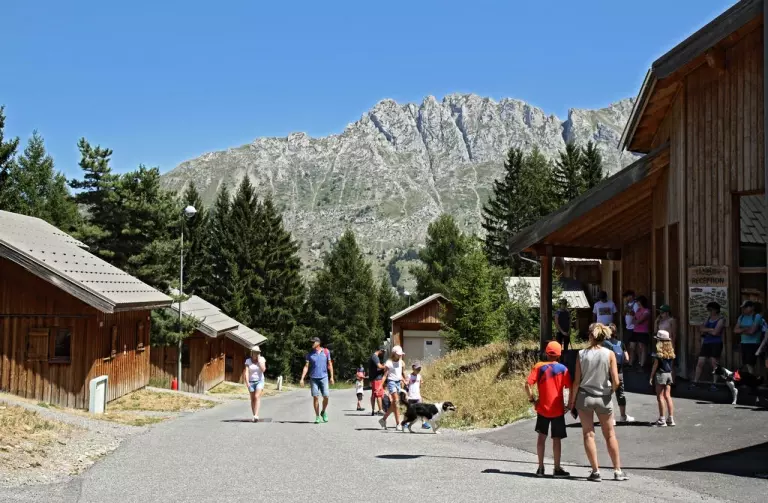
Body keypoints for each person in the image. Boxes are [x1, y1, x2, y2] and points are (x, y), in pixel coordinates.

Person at [568, 323, 628, 482]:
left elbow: (576, 381)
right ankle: (617, 471)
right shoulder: (609, 354)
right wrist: (610, 391)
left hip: (585, 397)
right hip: (603, 397)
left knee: (588, 434)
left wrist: (572, 402)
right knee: (610, 434)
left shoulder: (581, 354)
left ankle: (595, 471)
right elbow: (616, 380)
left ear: (590, 336)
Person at [525, 341, 572, 478]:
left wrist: (532, 400)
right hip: (557, 409)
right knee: (556, 439)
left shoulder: (538, 367)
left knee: (541, 437)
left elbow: (527, 385)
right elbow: (569, 388)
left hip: (542, 409)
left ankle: (540, 468)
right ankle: (557, 469)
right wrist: (569, 405)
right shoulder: (563, 369)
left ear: (546, 353)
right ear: (559, 354)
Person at [299, 337, 335, 424]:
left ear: (318, 343)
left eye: (313, 342)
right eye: (311, 342)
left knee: (326, 396)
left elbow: (330, 364)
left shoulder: (326, 352)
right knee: (315, 397)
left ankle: (323, 411)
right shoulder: (309, 354)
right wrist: (302, 378)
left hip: (324, 377)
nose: (311, 344)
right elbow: (306, 367)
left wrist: (332, 377)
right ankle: (317, 416)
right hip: (313, 378)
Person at [603, 324, 634, 423]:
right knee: (620, 394)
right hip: (619, 372)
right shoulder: (620, 343)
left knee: (607, 394)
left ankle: (610, 418)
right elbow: (627, 358)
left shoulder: (603, 344)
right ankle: (623, 416)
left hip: (607, 372)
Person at [692, 302, 725, 391]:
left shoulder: (721, 319)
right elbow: (701, 329)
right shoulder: (708, 318)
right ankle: (695, 381)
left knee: (714, 363)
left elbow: (716, 332)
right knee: (700, 362)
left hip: (716, 343)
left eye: (710, 310)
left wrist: (706, 330)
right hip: (706, 342)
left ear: (716, 310)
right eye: (708, 310)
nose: (709, 311)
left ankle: (714, 383)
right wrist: (710, 329)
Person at [650, 330, 676, 427]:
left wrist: (651, 376)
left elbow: (655, 365)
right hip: (669, 374)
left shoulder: (659, 352)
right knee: (668, 396)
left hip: (661, 374)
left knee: (660, 397)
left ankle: (662, 419)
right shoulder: (670, 352)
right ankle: (671, 418)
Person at [378, 345, 407, 431]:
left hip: (398, 383)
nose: (400, 355)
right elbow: (385, 376)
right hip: (391, 382)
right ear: (394, 353)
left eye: (401, 354)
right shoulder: (389, 363)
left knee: (394, 404)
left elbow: (400, 374)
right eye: (398, 354)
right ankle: (398, 424)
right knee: (396, 401)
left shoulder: (401, 362)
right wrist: (380, 386)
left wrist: (404, 380)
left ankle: (383, 419)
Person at [734, 300, 762, 373]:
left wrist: (741, 330)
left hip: (754, 343)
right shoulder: (741, 317)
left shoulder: (757, 316)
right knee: (746, 363)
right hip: (743, 342)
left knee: (750, 363)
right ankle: (750, 377)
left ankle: (751, 378)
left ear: (752, 307)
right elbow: (735, 330)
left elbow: (752, 331)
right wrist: (746, 329)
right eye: (743, 307)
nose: (744, 309)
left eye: (746, 307)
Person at [243, 345, 266, 422]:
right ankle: (254, 415)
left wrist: (259, 361)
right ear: (252, 353)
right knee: (252, 399)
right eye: (254, 352)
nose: (256, 354)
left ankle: (256, 415)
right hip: (251, 382)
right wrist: (247, 383)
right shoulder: (248, 361)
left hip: (260, 381)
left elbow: (263, 370)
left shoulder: (262, 359)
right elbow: (246, 372)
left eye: (257, 353)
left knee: (256, 397)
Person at [405, 361, 430, 430]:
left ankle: (424, 423)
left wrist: (421, 383)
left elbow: (420, 384)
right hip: (410, 396)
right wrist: (406, 394)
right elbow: (406, 385)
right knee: (409, 411)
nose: (419, 370)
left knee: (422, 410)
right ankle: (405, 423)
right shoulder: (409, 376)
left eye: (419, 369)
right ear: (413, 368)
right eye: (417, 369)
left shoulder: (419, 376)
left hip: (417, 396)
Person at [656, 305, 678, 381]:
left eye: (662, 313)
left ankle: (672, 381)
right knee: (661, 363)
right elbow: (656, 331)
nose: (660, 314)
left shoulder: (672, 320)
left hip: (669, 343)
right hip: (660, 343)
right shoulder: (660, 321)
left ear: (667, 313)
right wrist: (656, 321)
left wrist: (673, 344)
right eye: (660, 312)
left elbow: (674, 333)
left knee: (670, 363)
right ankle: (664, 380)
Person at [630, 296, 651, 371]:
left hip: (643, 331)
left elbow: (639, 321)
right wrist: (636, 321)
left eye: (638, 301)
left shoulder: (646, 311)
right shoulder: (638, 310)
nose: (637, 303)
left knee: (642, 348)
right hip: (635, 331)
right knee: (633, 347)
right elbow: (633, 320)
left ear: (641, 302)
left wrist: (636, 321)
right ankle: (633, 363)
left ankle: (642, 365)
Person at [368, 346, 387, 416]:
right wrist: (385, 366)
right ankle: (380, 410)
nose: (383, 353)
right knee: (379, 394)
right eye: (383, 352)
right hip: (377, 378)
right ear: (380, 350)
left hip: (373, 378)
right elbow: (379, 366)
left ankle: (373, 410)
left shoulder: (372, 356)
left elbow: (376, 367)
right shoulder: (375, 357)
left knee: (373, 394)